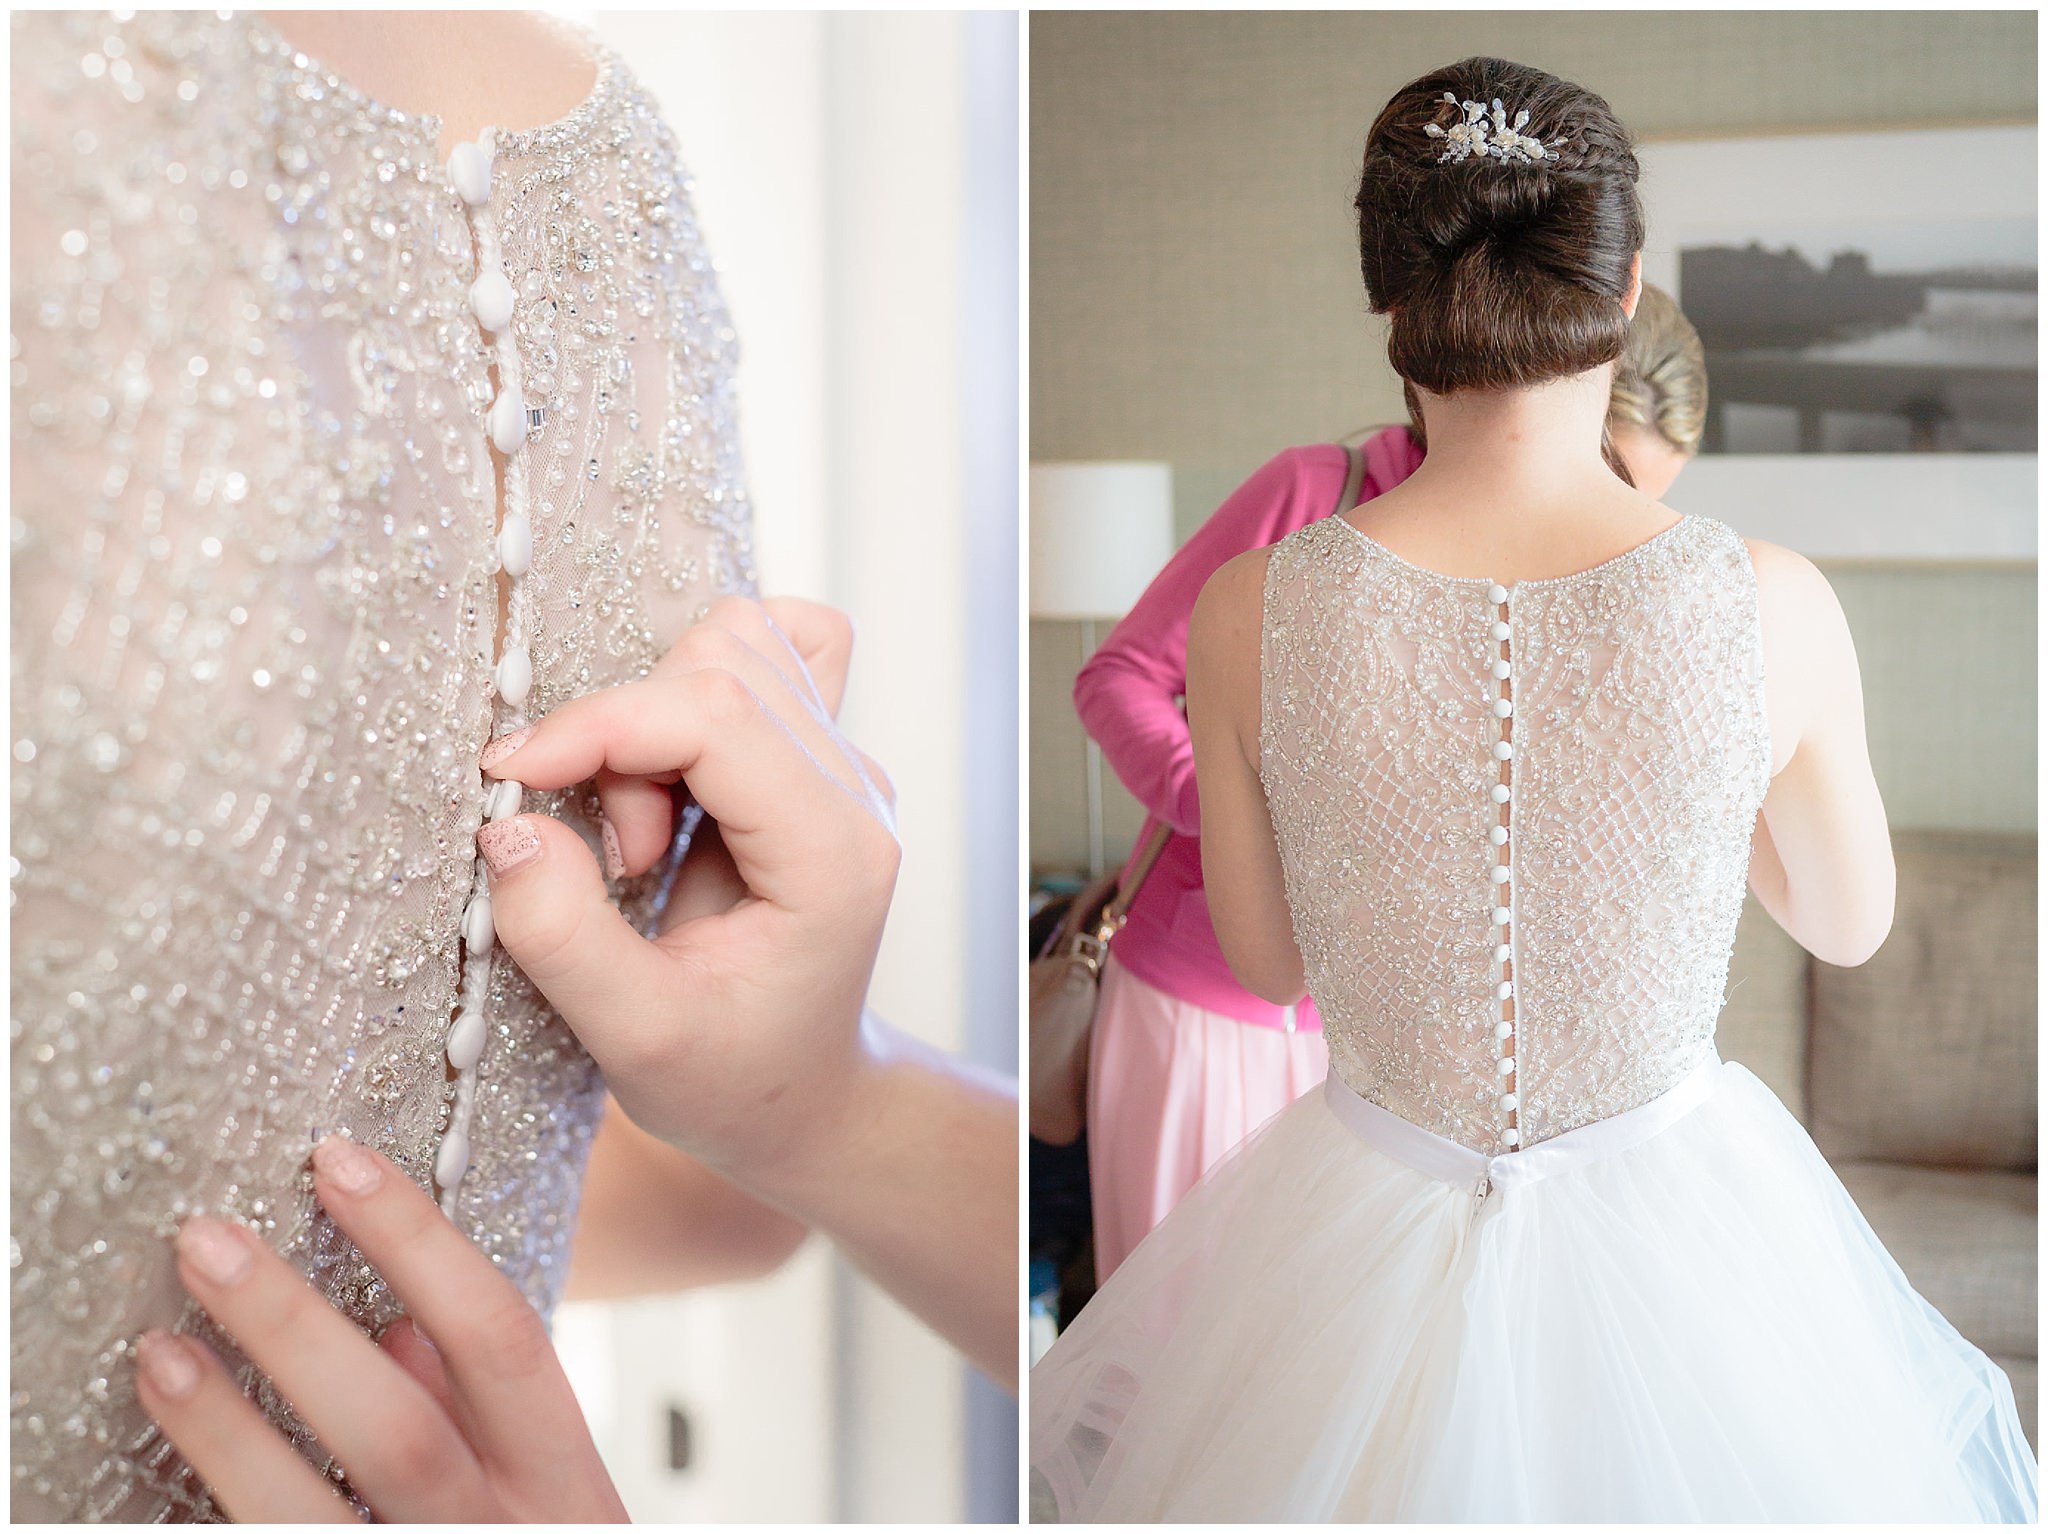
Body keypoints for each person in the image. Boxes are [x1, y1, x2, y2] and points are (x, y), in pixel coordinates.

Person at [11, 12, 1012, 1521]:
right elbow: (629, 1183)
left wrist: (825, 1103)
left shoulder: (608, 157)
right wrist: (821, 1106)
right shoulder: (604, 140)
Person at [1030, 57, 2036, 1521]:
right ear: (1627, 298)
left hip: (1360, 1223)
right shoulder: (1770, 599)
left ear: (1391, 306)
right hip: (1684, 1229)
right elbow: (1849, 918)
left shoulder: (1258, 606)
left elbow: (1270, 957)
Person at [1072, 280, 1709, 1281]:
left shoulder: (1609, 588)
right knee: (1180, 1360)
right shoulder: (1309, 493)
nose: (1612, 521)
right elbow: (1120, 677)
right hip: (1210, 1012)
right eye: (1610, 476)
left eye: (1643, 501)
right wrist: (1250, 818)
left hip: (1392, 1068)